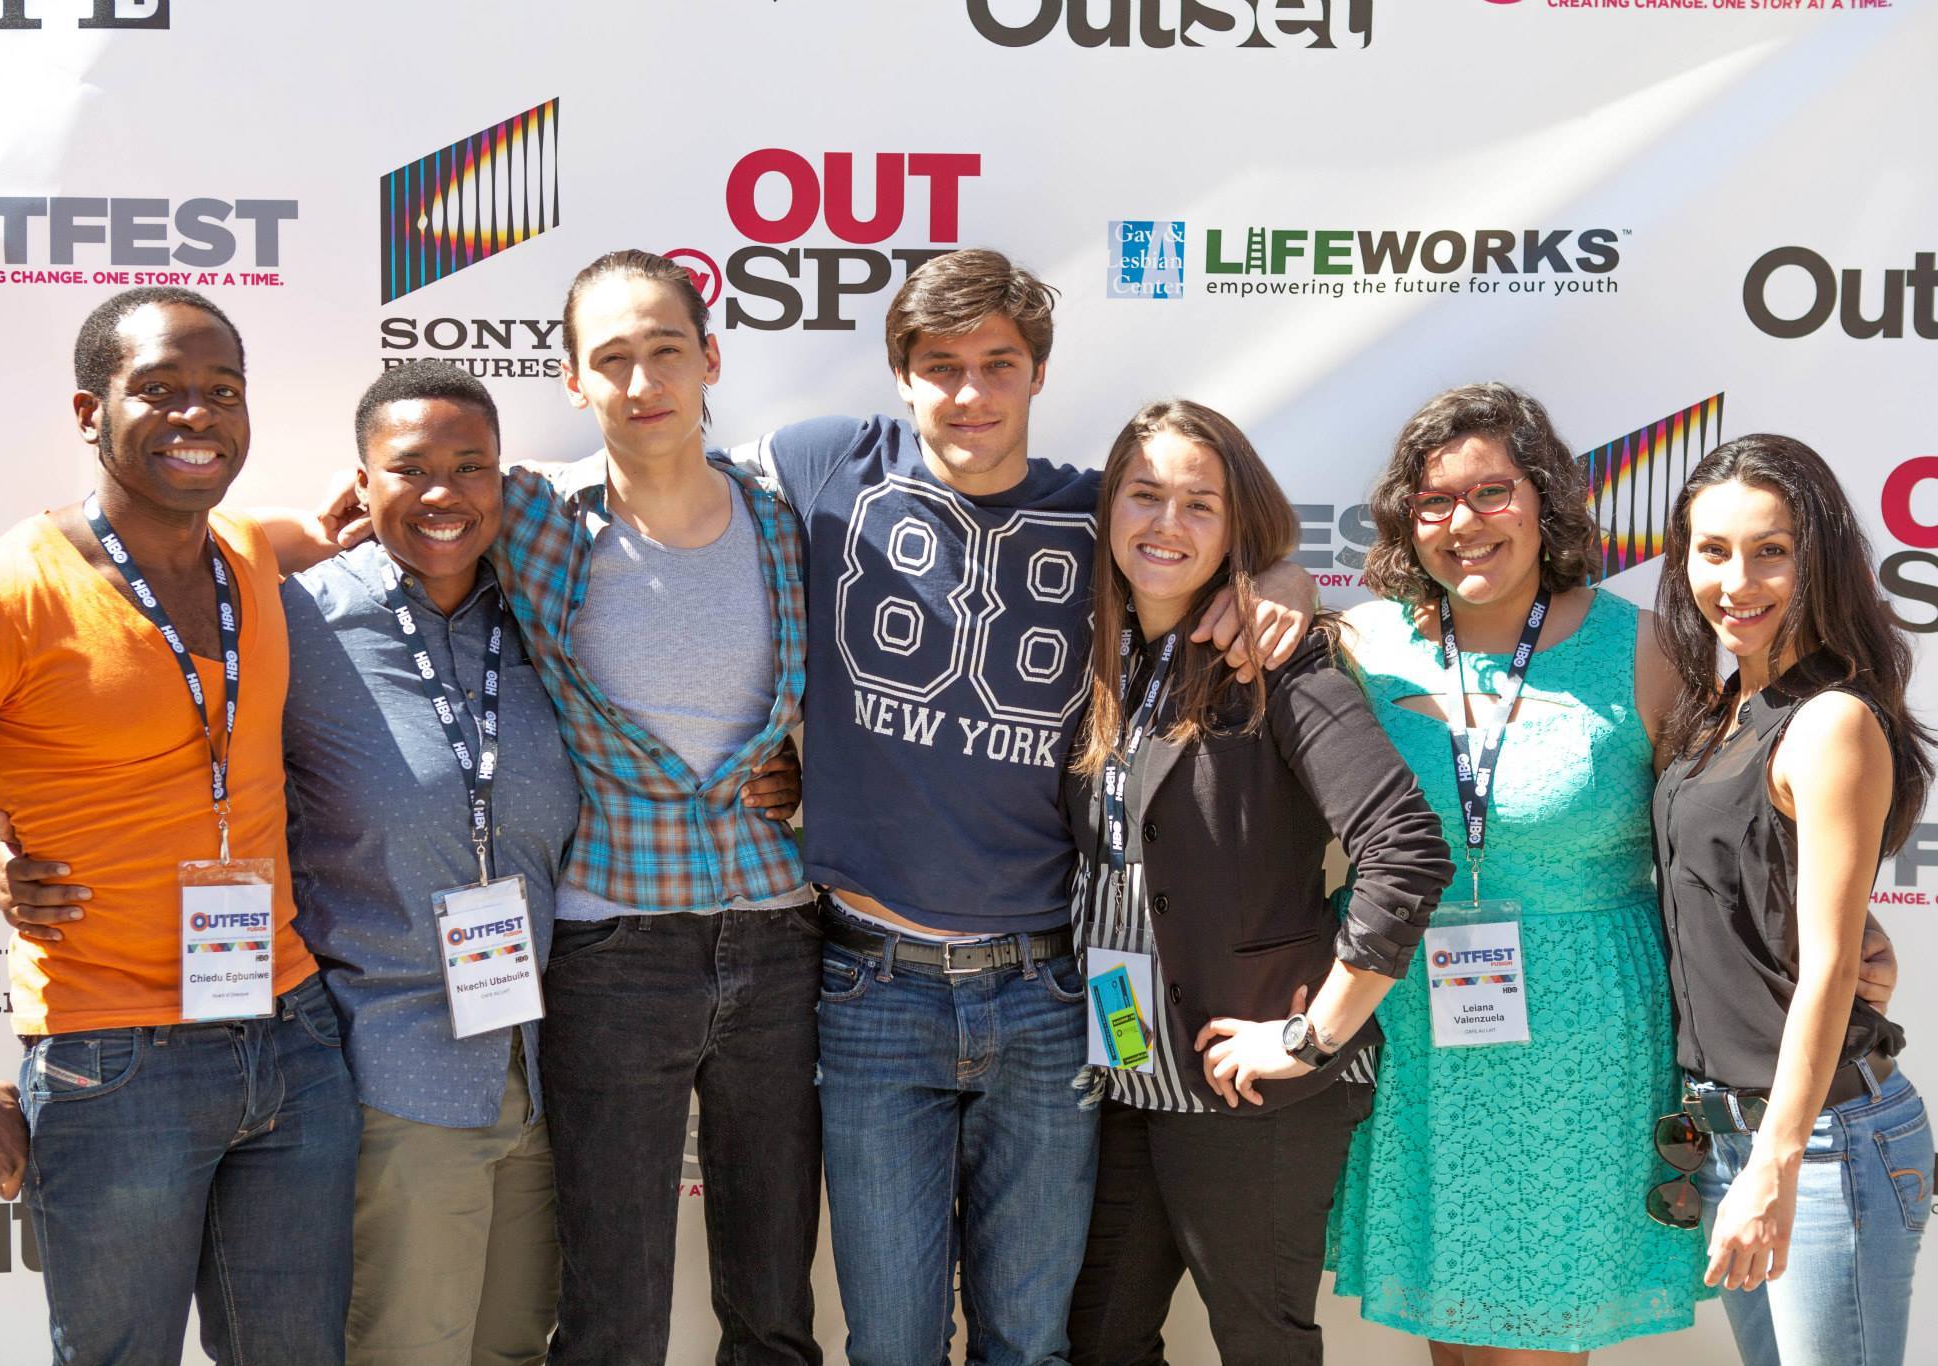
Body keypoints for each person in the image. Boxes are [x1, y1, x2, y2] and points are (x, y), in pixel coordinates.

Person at [729, 250, 1315, 1365]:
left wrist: (1276, 577)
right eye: (938, 366)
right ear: (899, 375)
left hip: (1050, 990)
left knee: (1027, 1342)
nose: (967, 394)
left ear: (1037, 374)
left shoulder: (1096, 513)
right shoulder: (822, 464)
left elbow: (1227, 541)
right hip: (868, 985)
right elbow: (663, 499)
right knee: (890, 1345)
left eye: (996, 364)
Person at [0, 361, 579, 1364]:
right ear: (361, 483)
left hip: (540, 1064)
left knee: (515, 1347)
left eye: (471, 467)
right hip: (393, 1067)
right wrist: (17, 831)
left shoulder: (545, 613)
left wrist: (780, 777)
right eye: (411, 468)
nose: (443, 492)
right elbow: (116, 710)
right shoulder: (291, 616)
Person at [298, 251, 816, 1365]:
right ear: (574, 382)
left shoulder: (782, 522)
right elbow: (404, 505)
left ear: (710, 357)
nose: (643, 383)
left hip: (778, 938)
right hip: (610, 949)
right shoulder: (530, 512)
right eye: (612, 360)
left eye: (665, 350)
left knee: (773, 1299)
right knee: (612, 1308)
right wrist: (313, 522)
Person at [1322, 385, 1899, 1366]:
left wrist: (1844, 944)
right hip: (1420, 1039)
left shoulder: (1643, 647)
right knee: (1454, 1339)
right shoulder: (1363, 643)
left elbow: (1730, 814)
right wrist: (1283, 592)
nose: (1464, 521)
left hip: (1581, 1045)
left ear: (1544, 501)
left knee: (1536, 1337)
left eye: (1493, 491)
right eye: (1434, 500)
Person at [0, 288, 360, 1364]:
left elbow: (336, 525)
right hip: (116, 1069)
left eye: (221, 392)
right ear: (86, 411)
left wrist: (374, 504)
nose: (197, 416)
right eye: (157, 390)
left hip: (291, 1037)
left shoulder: (248, 555)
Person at [1059, 400, 1452, 1365]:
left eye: (1201, 505)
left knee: (1261, 1346)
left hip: (1248, 1085)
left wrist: (1314, 1035)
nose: (1167, 525)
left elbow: (1405, 848)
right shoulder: (1108, 657)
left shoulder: (1282, 659)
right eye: (1145, 496)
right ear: (1109, 509)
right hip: (1127, 1069)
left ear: (1239, 527)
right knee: (1100, 1339)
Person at [1649, 434, 1933, 1366]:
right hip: (1739, 1133)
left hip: (1819, 1146)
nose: (1738, 580)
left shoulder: (1833, 720)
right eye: (1713, 550)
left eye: (1771, 550)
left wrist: (1776, 1163)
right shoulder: (1720, 709)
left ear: (1819, 559)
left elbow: (1829, 967)